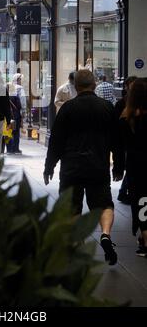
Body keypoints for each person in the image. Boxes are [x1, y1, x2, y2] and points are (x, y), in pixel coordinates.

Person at [44, 69, 122, 265]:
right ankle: (105, 234)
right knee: (104, 204)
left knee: (71, 207)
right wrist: (119, 166)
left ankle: (75, 244)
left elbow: (56, 141)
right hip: (98, 165)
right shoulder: (107, 107)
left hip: (72, 166)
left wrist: (49, 167)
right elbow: (117, 140)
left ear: (75, 86)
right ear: (94, 84)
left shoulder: (68, 109)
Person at [115, 78, 147, 257]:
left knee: (142, 202)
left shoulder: (126, 119)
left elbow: (119, 147)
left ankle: (144, 237)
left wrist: (118, 169)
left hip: (136, 166)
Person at [114, 76, 137, 204]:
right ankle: (124, 192)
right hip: (127, 142)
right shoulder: (122, 104)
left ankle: (124, 192)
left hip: (130, 143)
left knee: (132, 168)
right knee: (131, 167)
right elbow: (118, 127)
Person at [6, 83, 22, 155]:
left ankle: (9, 149)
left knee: (8, 132)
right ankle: (16, 149)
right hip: (16, 117)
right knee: (16, 133)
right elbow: (19, 106)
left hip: (8, 117)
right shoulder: (15, 96)